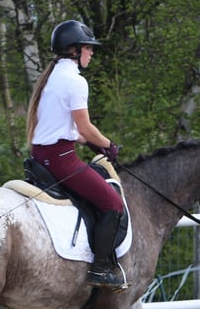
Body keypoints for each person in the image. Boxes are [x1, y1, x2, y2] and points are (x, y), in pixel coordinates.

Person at [25, 19, 125, 288]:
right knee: (112, 203)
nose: (91, 53)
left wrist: (90, 142)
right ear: (75, 50)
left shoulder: (52, 77)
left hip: (42, 156)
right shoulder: (75, 81)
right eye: (88, 48)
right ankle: (101, 268)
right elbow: (85, 127)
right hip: (61, 160)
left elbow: (69, 130)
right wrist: (108, 145)